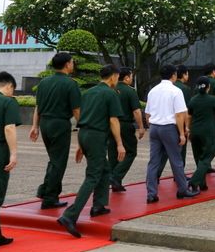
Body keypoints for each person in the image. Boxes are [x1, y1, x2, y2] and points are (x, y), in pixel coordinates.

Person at [56, 65, 125, 238]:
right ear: (114, 76)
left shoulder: (88, 93)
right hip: (96, 136)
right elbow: (113, 120)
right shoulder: (110, 93)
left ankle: (99, 205)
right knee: (93, 175)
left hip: (85, 134)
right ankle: (70, 216)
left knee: (105, 169)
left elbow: (82, 119)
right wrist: (119, 144)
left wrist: (80, 144)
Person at [31, 52, 81, 210]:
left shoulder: (44, 82)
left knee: (54, 159)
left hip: (45, 123)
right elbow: (76, 110)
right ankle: (50, 198)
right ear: (67, 64)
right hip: (59, 124)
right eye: (72, 62)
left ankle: (45, 190)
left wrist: (35, 126)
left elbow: (38, 107)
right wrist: (84, 126)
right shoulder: (70, 84)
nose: (73, 64)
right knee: (59, 162)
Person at [144, 65, 199, 203]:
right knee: (176, 160)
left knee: (153, 162)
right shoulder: (176, 91)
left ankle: (151, 193)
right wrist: (182, 133)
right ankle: (182, 189)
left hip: (155, 127)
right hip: (169, 128)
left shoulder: (153, 91)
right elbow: (179, 114)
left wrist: (152, 125)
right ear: (173, 75)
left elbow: (147, 113)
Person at [0, 71, 19, 249]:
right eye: (13, 90)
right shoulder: (7, 101)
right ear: (8, 86)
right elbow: (9, 128)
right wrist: (13, 153)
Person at [109, 67, 144, 192]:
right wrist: (141, 127)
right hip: (124, 124)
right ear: (126, 78)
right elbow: (136, 111)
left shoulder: (111, 89)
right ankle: (114, 177)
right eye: (131, 77)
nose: (132, 79)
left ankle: (115, 182)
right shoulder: (130, 91)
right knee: (130, 152)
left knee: (113, 153)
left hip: (110, 124)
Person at [187, 76, 215, 191]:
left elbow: (189, 116)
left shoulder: (193, 100)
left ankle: (202, 184)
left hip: (194, 131)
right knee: (206, 158)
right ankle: (194, 181)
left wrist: (188, 129)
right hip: (207, 131)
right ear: (208, 87)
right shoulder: (212, 100)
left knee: (198, 158)